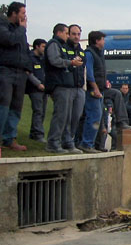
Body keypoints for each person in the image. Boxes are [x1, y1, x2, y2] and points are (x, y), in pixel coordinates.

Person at [45, 24, 83, 153]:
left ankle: (63, 142)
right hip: (59, 85)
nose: (69, 36)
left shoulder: (61, 46)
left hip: (67, 85)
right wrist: (70, 62)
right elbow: (55, 61)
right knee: (60, 116)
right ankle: (53, 143)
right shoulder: (53, 44)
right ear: (59, 33)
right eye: (67, 33)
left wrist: (72, 64)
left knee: (67, 117)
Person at [0, 2, 31, 151]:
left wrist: (27, 68)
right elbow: (9, 40)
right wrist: (22, 29)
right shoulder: (3, 25)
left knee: (16, 107)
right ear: (14, 13)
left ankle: (9, 138)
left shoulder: (21, 31)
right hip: (5, 70)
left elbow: (24, 50)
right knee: (4, 104)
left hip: (20, 73)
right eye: (23, 13)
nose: (25, 16)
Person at [78, 31, 107, 153]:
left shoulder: (99, 54)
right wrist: (95, 87)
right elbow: (89, 73)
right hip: (92, 91)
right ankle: (86, 143)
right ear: (97, 41)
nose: (104, 42)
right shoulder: (90, 54)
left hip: (100, 89)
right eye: (102, 39)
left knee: (98, 117)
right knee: (94, 116)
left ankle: (92, 143)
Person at [26, 38, 48, 143]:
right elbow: (29, 73)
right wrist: (38, 84)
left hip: (44, 89)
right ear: (37, 46)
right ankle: (38, 134)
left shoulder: (43, 59)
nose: (45, 49)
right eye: (43, 46)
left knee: (42, 111)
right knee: (38, 111)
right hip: (34, 89)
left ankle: (34, 132)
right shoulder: (30, 58)